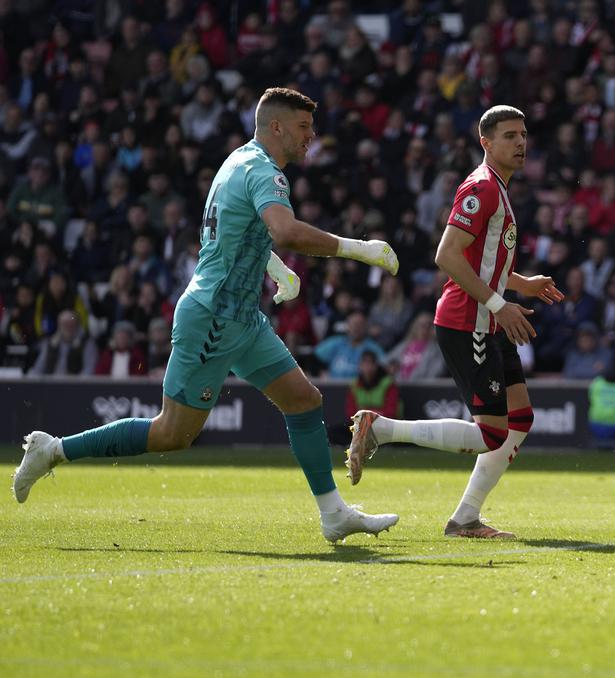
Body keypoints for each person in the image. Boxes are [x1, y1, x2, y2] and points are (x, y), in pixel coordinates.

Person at [13, 88, 402, 543]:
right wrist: (361, 249)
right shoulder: (266, 173)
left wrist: (274, 269)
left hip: (242, 318)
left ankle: (333, 514)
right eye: (303, 127)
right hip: (214, 317)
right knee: (172, 434)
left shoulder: (237, 160)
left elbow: (234, 231)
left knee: (303, 400)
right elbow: (285, 230)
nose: (311, 136)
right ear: (276, 126)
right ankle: (53, 449)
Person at [345, 105, 563, 539]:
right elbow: (446, 256)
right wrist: (500, 304)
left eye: (522, 134)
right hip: (470, 321)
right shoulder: (481, 188)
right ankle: (382, 428)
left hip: (489, 318)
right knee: (491, 434)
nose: (520, 143)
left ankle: (465, 518)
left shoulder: (498, 189)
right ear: (486, 143)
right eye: (509, 136)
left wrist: (521, 284)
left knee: (519, 421)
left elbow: (481, 261)